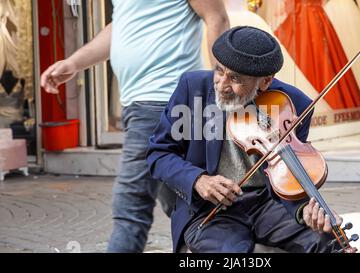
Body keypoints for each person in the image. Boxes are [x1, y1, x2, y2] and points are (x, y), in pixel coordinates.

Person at [40, 0, 229, 253]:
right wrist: (74, 63)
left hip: (163, 99)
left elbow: (217, 18)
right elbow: (121, 26)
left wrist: (221, 91)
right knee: (183, 202)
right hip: (139, 104)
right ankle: (227, 245)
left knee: (130, 207)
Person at [147, 26, 344, 253]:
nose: (221, 85)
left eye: (235, 78)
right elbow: (159, 153)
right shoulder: (193, 88)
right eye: (219, 71)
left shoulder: (294, 104)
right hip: (211, 210)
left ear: (265, 81)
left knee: (328, 242)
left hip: (268, 204)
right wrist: (198, 180)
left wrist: (306, 211)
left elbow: (289, 179)